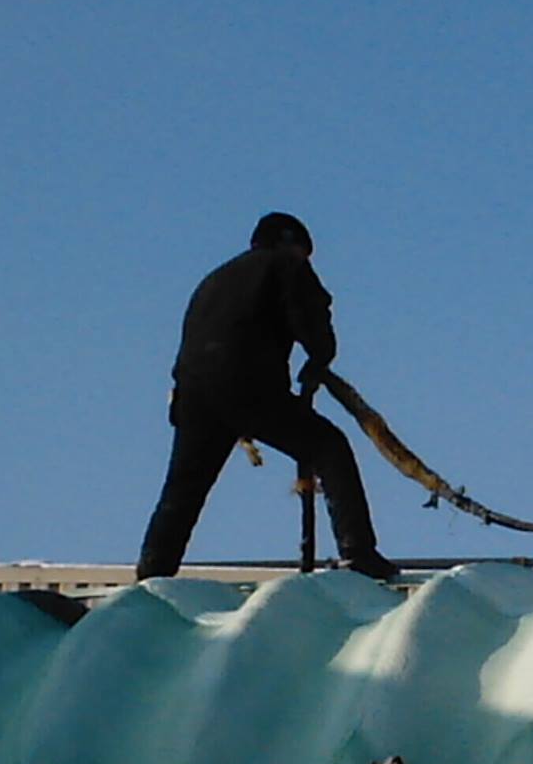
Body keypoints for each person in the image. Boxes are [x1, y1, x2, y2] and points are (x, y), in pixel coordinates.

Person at [136, 213, 399, 582]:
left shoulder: (213, 280)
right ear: (289, 244)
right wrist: (319, 359)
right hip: (247, 385)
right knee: (329, 447)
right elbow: (311, 317)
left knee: (183, 490)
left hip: (193, 395)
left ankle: (152, 574)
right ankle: (359, 553)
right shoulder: (284, 265)